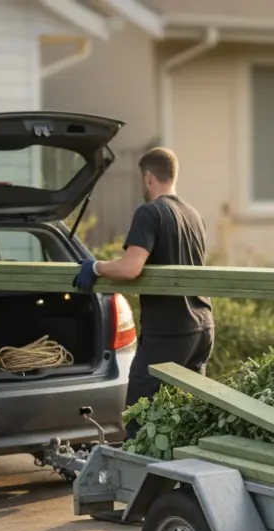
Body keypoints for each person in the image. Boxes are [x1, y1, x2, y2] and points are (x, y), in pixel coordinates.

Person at [73, 147, 215, 438]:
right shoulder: (193, 215)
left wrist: (96, 267)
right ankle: (182, 478)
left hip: (169, 332)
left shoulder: (150, 213)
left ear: (148, 177)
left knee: (139, 411)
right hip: (202, 328)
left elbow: (130, 268)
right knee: (187, 414)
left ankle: (144, 481)